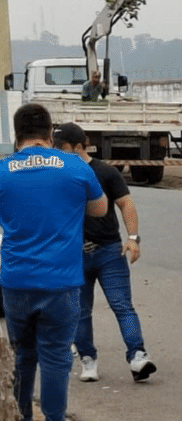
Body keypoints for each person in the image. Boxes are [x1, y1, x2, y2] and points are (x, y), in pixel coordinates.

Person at [0, 103, 107, 421]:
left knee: (23, 355)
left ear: (17, 134)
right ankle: (54, 417)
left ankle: (20, 414)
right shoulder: (76, 166)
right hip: (62, 283)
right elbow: (101, 209)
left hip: (17, 282)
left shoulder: (1, 170)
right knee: (56, 356)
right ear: (50, 134)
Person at [53, 122, 156, 383]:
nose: (58, 153)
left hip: (109, 251)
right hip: (74, 255)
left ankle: (138, 356)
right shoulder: (56, 175)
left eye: (63, 148)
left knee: (122, 306)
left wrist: (133, 238)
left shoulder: (106, 172)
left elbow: (126, 203)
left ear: (79, 147)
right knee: (79, 310)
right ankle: (88, 359)